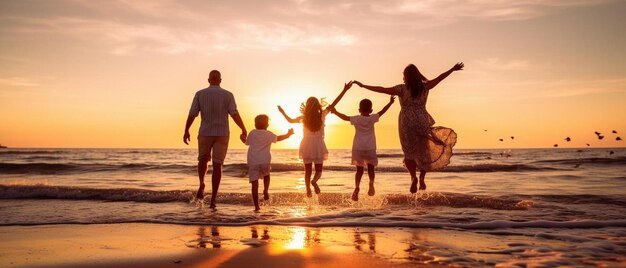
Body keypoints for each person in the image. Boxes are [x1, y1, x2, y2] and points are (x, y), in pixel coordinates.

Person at [353, 63, 463, 192]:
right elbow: (440, 77)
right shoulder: (425, 87)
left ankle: (413, 177)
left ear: (406, 76)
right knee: (424, 150)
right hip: (421, 120)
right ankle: (422, 178)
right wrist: (452, 69)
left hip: (406, 123)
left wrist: (364, 86)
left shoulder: (401, 89)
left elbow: (382, 89)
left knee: (409, 153)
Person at [183, 70, 247, 208]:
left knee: (202, 159)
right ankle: (213, 198)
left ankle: (202, 183)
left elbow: (192, 114)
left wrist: (186, 130)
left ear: (208, 80)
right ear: (220, 80)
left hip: (205, 132)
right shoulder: (228, 95)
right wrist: (243, 128)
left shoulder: (200, 94)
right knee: (218, 165)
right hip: (222, 133)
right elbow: (234, 113)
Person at [277, 82, 352, 197]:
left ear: (307, 106)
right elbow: (334, 103)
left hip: (306, 144)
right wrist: (344, 90)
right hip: (318, 144)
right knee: (318, 170)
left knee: (307, 170)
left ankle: (307, 188)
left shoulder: (303, 118)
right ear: (318, 105)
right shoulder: (322, 114)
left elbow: (290, 121)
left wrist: (282, 112)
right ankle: (314, 181)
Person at [329, 95, 395, 201]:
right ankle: (371, 184)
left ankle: (357, 187)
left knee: (359, 170)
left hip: (358, 148)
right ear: (371, 110)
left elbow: (345, 117)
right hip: (370, 148)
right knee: (371, 169)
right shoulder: (373, 118)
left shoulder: (357, 119)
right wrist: (390, 102)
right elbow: (383, 111)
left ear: (359, 109)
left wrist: (335, 111)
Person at [245, 114, 294, 211]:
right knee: (266, 175)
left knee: (254, 185)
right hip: (265, 161)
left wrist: (241, 137)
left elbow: (246, 142)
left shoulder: (252, 133)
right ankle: (266, 190)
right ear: (267, 125)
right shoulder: (268, 134)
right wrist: (288, 135)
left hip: (253, 162)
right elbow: (278, 138)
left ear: (255, 124)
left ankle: (257, 207)